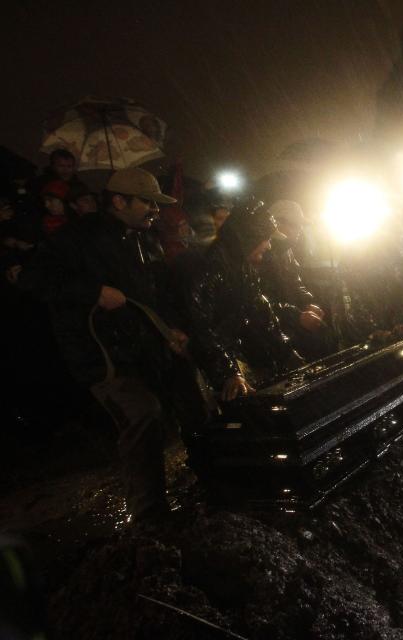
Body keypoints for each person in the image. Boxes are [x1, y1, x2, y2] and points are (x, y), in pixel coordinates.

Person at [24, 168, 192, 522]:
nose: (154, 210)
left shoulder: (145, 240)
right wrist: (93, 293)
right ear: (119, 201)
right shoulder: (77, 238)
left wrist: (171, 328)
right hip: (101, 355)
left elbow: (154, 294)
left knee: (176, 407)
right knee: (143, 415)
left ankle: (186, 491)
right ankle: (149, 519)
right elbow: (34, 278)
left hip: (142, 349)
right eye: (148, 202)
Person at [187, 201, 302, 400]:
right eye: (265, 238)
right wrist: (230, 373)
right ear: (247, 238)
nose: (268, 245)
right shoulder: (207, 267)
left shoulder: (243, 268)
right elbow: (200, 328)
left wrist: (287, 354)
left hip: (235, 357)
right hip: (207, 369)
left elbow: (262, 311)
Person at [258, 200, 337, 360]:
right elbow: (259, 301)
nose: (300, 229)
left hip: (293, 321)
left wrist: (307, 302)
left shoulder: (287, 251)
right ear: (277, 223)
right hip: (274, 329)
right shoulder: (261, 254)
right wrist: (295, 316)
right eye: (295, 225)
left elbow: (296, 281)